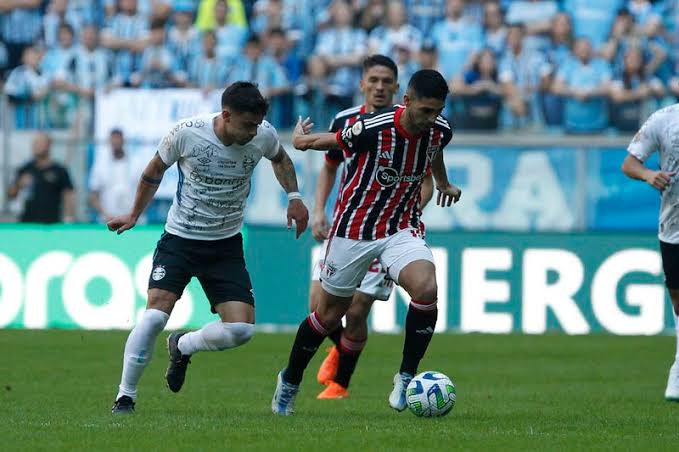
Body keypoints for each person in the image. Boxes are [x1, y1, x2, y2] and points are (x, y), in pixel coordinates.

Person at [108, 81, 309, 414]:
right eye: (246, 125)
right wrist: (133, 214)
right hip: (181, 239)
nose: (252, 132)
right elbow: (153, 171)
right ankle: (125, 395)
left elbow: (281, 159)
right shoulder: (187, 133)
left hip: (225, 244)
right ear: (226, 115)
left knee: (241, 329)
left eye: (257, 125)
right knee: (154, 317)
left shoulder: (263, 134)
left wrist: (295, 197)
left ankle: (183, 345)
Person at [272, 69, 461, 415]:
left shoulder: (439, 130)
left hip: (400, 228)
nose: (430, 118)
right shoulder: (373, 128)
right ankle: (290, 380)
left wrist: (443, 183)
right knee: (328, 316)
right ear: (406, 102)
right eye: (424, 111)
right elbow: (324, 144)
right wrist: (300, 140)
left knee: (426, 288)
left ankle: (406, 377)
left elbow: (434, 152)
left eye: (437, 111)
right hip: (354, 231)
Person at [310, 55, 435, 400]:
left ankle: (340, 385)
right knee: (318, 305)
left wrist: (404, 211)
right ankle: (340, 350)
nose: (380, 87)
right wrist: (319, 210)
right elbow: (330, 167)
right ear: (362, 84)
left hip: (388, 231)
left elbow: (427, 182)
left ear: (397, 88)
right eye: (374, 80)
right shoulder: (345, 120)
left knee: (357, 307)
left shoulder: (412, 124)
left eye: (387, 82)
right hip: (348, 225)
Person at [621, 103, 679, 402]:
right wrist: (648, 175)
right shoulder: (664, 119)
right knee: (677, 300)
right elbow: (630, 163)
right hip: (673, 224)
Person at [7, 132, 75, 224]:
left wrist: (69, 217)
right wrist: (19, 185)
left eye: (39, 143)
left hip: (52, 224)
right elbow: (10, 195)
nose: (36, 146)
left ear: (49, 145)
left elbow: (68, 194)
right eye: (34, 143)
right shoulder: (25, 169)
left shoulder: (59, 170)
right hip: (28, 223)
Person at [89, 129, 140, 223]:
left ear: (123, 141)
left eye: (118, 139)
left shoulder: (137, 164)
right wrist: (105, 214)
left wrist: (136, 215)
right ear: (109, 141)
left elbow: (148, 192)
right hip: (107, 220)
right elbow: (93, 196)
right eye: (113, 139)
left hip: (133, 221)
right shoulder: (100, 165)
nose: (116, 142)